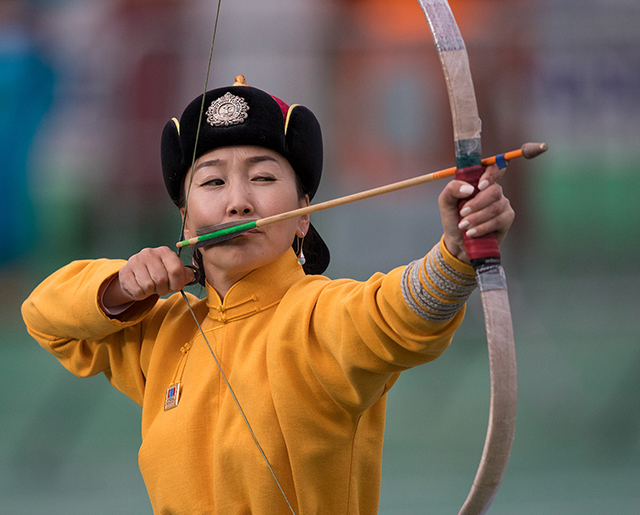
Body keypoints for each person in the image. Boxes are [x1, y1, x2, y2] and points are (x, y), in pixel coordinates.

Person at [22, 76, 514, 515]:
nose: (238, 201)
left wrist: (455, 251)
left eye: (263, 178)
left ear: (303, 215)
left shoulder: (318, 317)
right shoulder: (161, 333)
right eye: (212, 181)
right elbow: (43, 315)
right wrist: (122, 288)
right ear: (186, 222)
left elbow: (395, 314)